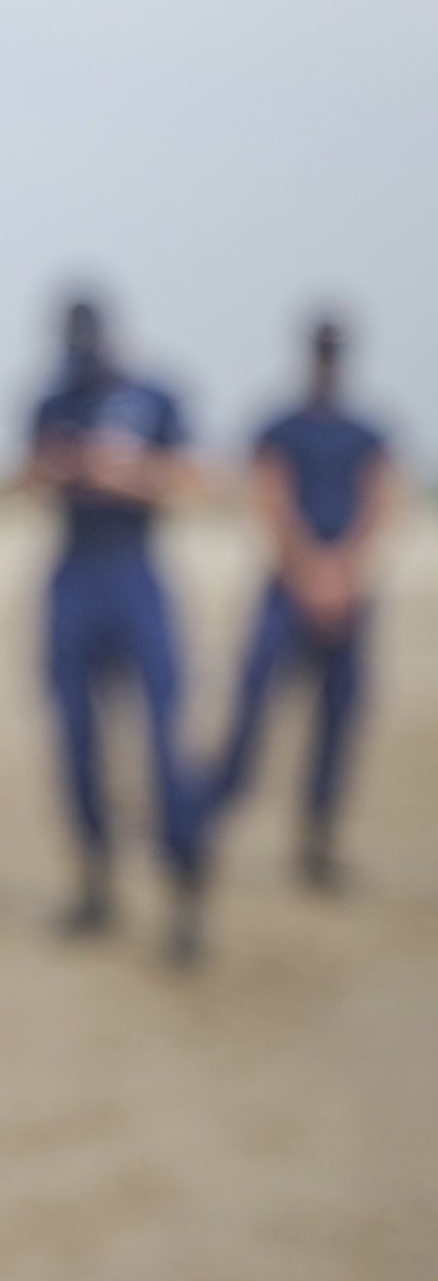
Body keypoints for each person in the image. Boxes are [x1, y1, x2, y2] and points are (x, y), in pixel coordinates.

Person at [24, 292, 208, 965]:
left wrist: (121, 473)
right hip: (74, 572)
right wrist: (66, 467)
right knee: (75, 735)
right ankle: (96, 879)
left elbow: (191, 477)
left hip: (136, 571)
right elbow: (26, 473)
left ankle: (185, 886)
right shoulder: (53, 397)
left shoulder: (156, 395)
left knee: (165, 737)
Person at [207, 315, 401, 890]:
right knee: (253, 702)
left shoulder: (367, 428)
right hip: (290, 586)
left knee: (340, 717)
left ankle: (318, 841)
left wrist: (344, 569)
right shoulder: (281, 424)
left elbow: (379, 498)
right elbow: (269, 494)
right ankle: (210, 823)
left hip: (346, 589)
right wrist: (310, 568)